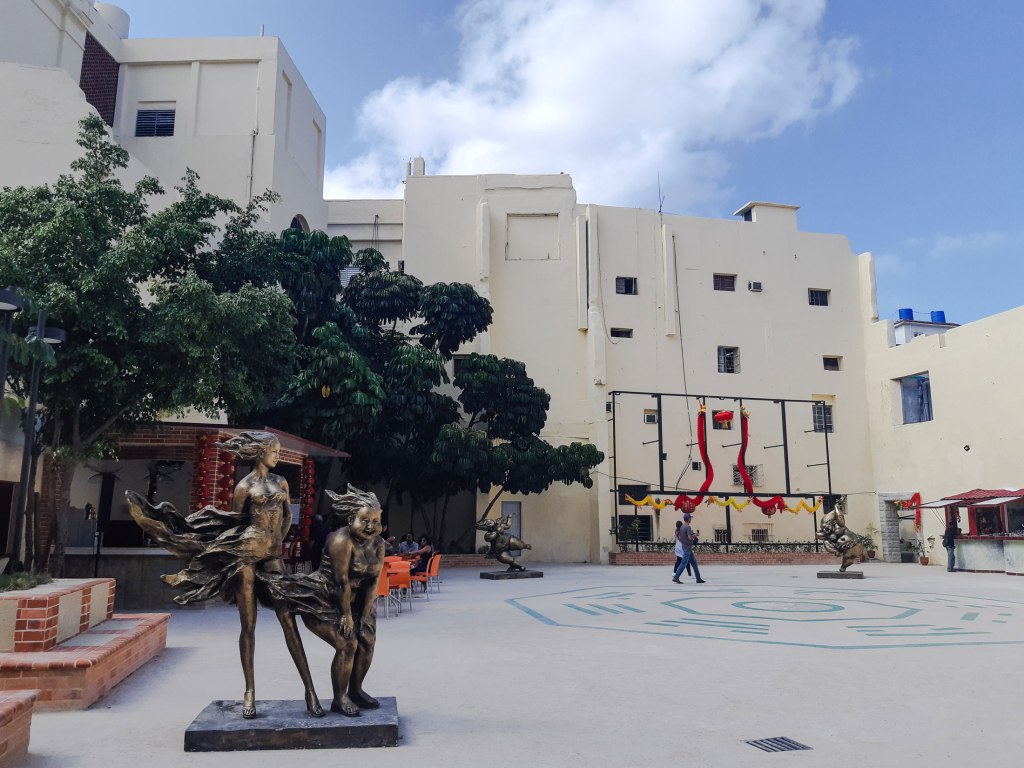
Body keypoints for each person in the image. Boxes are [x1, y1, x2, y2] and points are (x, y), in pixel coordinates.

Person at [125, 431, 324, 720]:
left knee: (287, 618)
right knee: (249, 625)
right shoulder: (244, 486)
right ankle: (250, 692)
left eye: (279, 451)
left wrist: (274, 544)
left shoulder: (280, 482)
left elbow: (286, 519)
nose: (278, 455)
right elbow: (235, 522)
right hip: (246, 554)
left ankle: (310, 690)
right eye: (274, 450)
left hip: (272, 555)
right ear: (259, 453)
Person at [290, 486, 385, 716]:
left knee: (368, 638)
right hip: (323, 597)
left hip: (354, 599)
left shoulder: (379, 544)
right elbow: (340, 581)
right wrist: (346, 615)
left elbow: (373, 581)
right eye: (364, 520)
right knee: (348, 643)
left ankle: (356, 689)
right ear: (351, 519)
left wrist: (364, 614)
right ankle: (340, 697)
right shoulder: (341, 541)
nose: (370, 526)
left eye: (375, 521)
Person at [672, 512, 705, 584]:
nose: (691, 519)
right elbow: (690, 538)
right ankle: (676, 577)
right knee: (683, 563)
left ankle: (698, 578)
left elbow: (684, 536)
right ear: (688, 519)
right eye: (690, 518)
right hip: (687, 547)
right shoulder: (688, 527)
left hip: (685, 547)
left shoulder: (682, 527)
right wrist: (694, 536)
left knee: (694, 563)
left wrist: (694, 534)